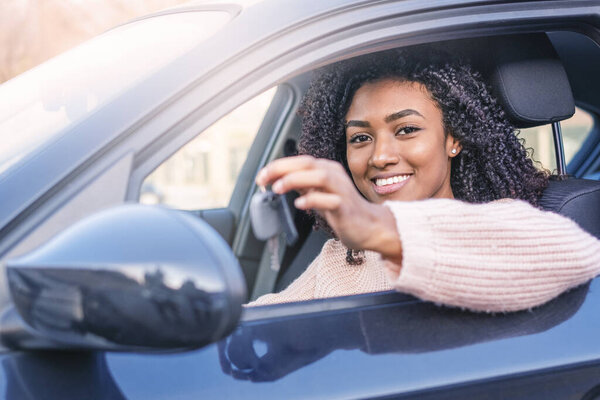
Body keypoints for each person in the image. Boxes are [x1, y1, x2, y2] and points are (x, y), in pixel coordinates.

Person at [248, 48, 600, 312]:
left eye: (407, 129)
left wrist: (378, 228)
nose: (380, 156)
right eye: (360, 138)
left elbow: (575, 252)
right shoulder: (343, 258)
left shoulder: (501, 223)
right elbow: (265, 320)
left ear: (453, 139)